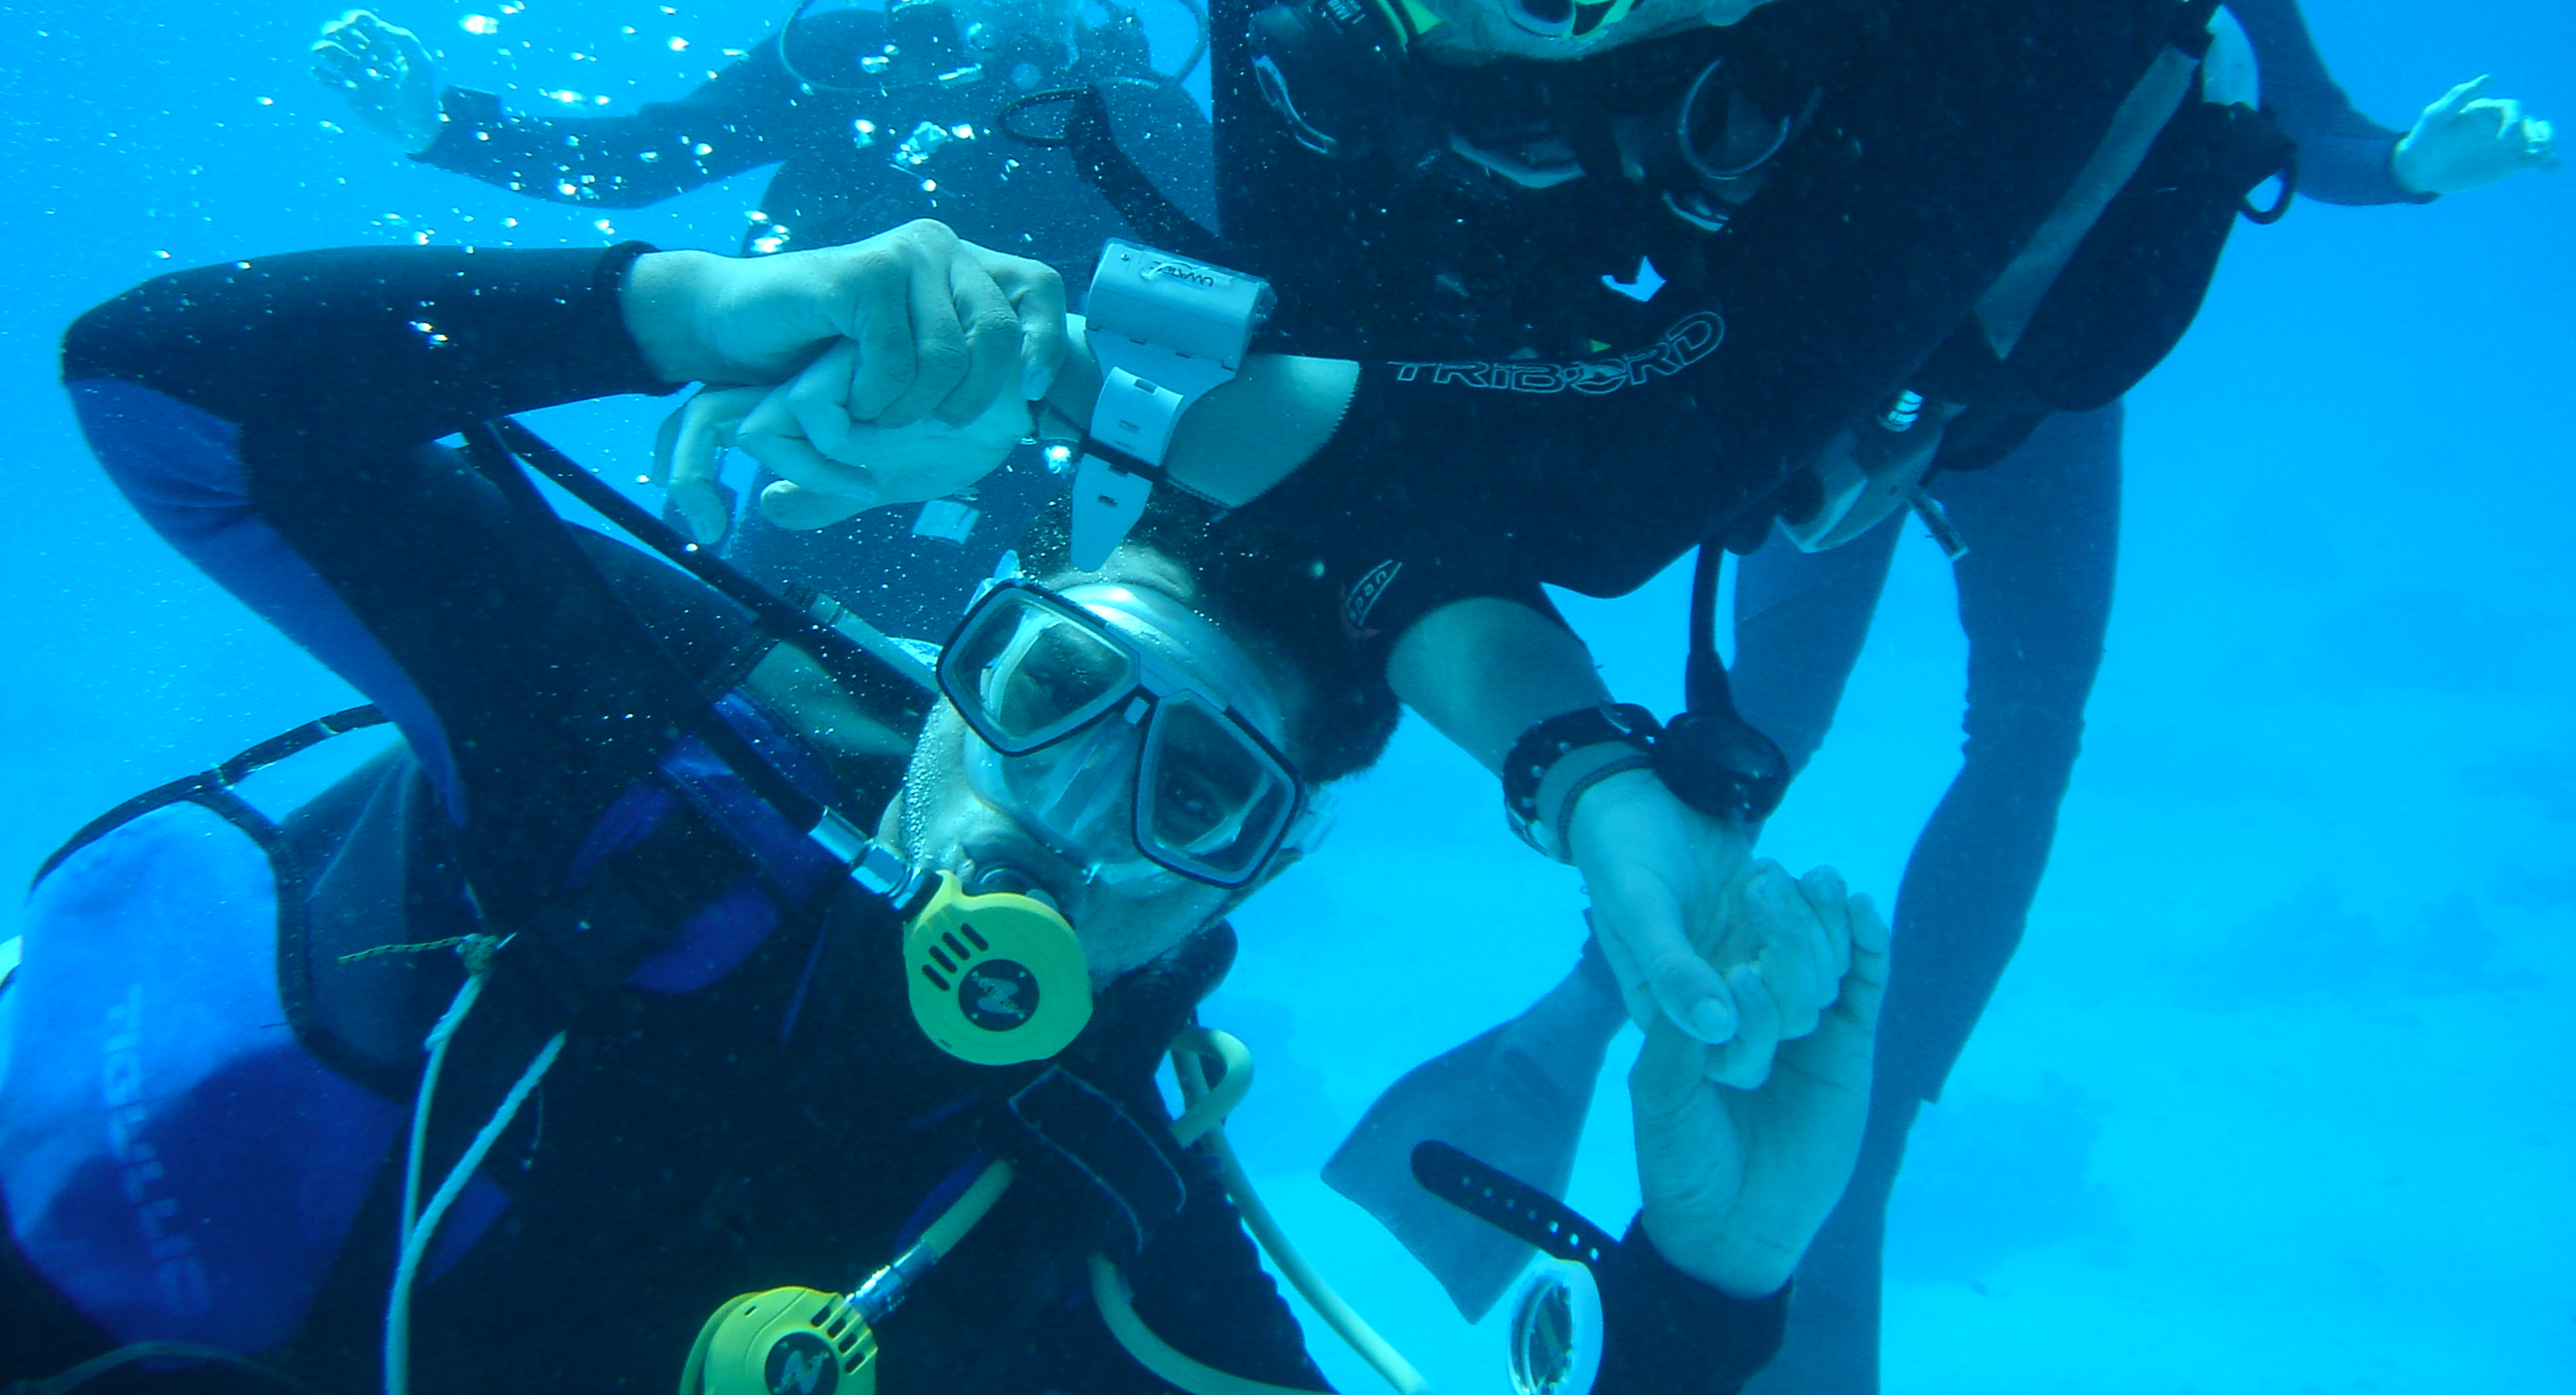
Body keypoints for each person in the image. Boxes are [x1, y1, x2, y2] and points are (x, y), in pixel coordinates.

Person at [4, 222, 1882, 1395]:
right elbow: (155, 386)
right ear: (971, 638)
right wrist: (687, 308)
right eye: (1052, 690)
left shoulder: (1090, 1202)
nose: (1068, 812)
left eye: (1197, 788)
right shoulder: (651, 730)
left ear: (1255, 869)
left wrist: (1712, 1278)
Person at [1072, 0, 2272, 1070]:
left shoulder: (1978, 31)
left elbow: (1620, 492)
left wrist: (1083, 375)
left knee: (2000, 511)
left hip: (1890, 299)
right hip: (1569, 211)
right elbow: (1325, 394)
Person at [1721, 0, 2555, 1389]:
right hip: (1862, 344)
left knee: (2024, 734)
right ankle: (1594, 1022)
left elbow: (2301, 120)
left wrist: (2410, 167)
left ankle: (1866, 1151)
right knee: (1773, 724)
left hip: (2043, 385)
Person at [308, 0, 1215, 640]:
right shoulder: (842, 62)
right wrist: (444, 127)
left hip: (1038, 455)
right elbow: (643, 158)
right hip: (818, 426)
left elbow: (1231, 309)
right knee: (777, 673)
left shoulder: (1149, 116)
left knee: (1020, 686)